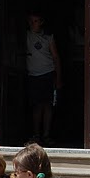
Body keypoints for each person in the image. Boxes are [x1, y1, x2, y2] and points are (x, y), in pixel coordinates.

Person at [26, 10, 62, 145]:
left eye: (35, 21)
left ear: (41, 22)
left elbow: (56, 57)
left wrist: (58, 78)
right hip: (32, 75)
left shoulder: (48, 37)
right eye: (30, 21)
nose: (32, 24)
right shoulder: (26, 36)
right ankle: (36, 135)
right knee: (36, 106)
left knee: (47, 106)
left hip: (47, 74)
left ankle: (46, 135)